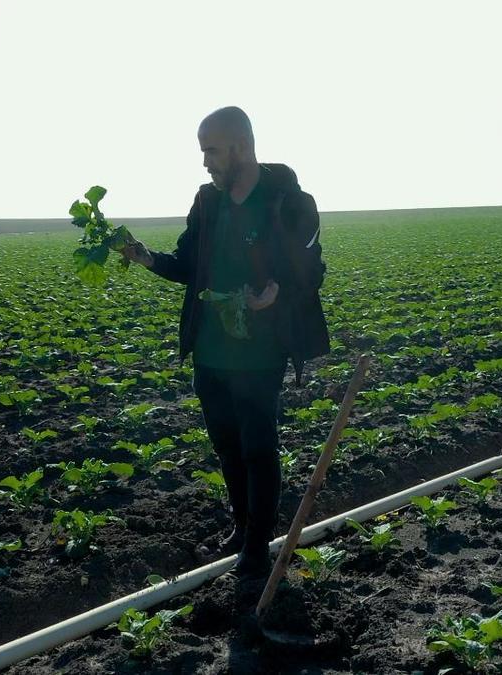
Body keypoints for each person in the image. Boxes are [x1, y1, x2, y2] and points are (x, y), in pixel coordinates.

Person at [121, 106, 330, 577]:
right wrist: (147, 258)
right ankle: (241, 525)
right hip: (212, 351)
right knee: (226, 444)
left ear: (240, 146)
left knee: (258, 445)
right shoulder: (207, 202)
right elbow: (189, 263)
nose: (204, 162)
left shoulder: (290, 201)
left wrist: (276, 294)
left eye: (210, 151)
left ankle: (258, 543)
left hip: (260, 353)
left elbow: (311, 272)